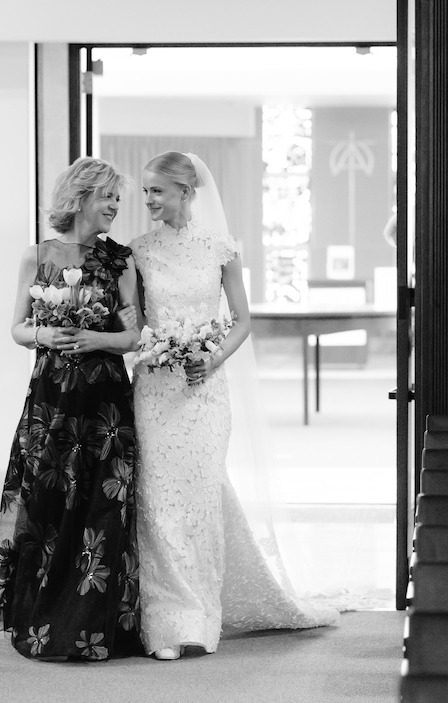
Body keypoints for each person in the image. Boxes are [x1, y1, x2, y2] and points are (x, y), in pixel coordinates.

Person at [123, 151, 339, 661]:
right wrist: (151, 347)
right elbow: (134, 323)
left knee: (200, 499)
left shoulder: (222, 249)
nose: (149, 200)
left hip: (204, 394)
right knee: (156, 502)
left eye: (157, 190)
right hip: (155, 390)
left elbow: (242, 319)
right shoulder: (138, 251)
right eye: (147, 191)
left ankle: (200, 615)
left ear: (186, 192)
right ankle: (167, 621)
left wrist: (211, 357)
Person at [0, 157, 144, 661]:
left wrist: (97, 337)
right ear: (79, 198)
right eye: (107, 196)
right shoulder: (37, 257)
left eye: (118, 198)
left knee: (100, 508)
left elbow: (135, 334)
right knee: (48, 506)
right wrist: (43, 334)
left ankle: (90, 627)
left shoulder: (121, 260)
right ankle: (41, 620)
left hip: (104, 405)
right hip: (51, 400)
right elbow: (17, 328)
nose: (115, 206)